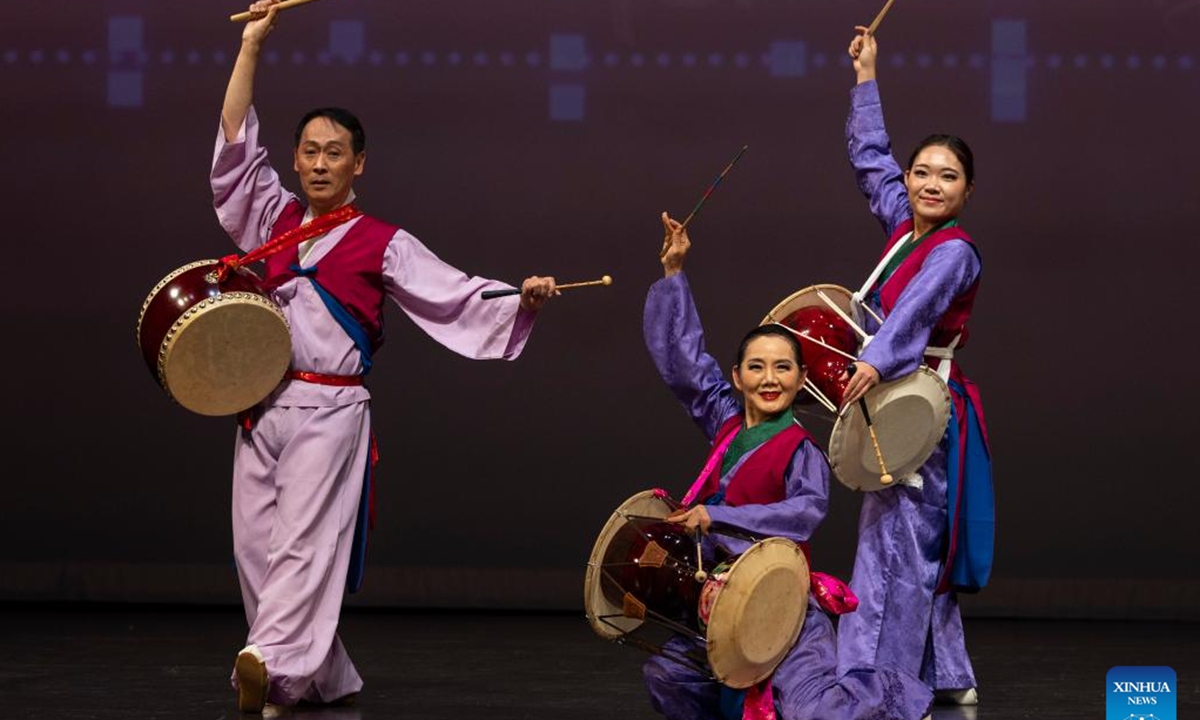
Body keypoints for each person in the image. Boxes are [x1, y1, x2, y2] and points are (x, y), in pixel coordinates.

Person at [213, 1, 558, 712]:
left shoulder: (382, 241)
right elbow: (234, 145)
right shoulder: (271, 218)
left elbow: (456, 294)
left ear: (358, 163)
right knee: (256, 549)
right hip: (260, 405)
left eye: (333, 151)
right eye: (307, 150)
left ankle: (272, 677)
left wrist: (521, 299)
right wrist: (251, 47)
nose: (316, 162)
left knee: (304, 547)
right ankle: (323, 673)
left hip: (329, 408)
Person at [642, 213, 932, 720]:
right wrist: (673, 275)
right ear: (736, 376)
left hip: (783, 604)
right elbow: (686, 365)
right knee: (667, 677)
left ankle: (897, 697)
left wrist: (718, 518)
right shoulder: (727, 424)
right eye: (757, 366)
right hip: (723, 601)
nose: (769, 378)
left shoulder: (799, 448)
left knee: (814, 712)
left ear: (800, 381)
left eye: (783, 368)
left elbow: (805, 512)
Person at [834, 25, 995, 706]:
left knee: (897, 546)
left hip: (920, 399)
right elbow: (871, 158)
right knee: (904, 540)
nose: (931, 183)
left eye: (947, 176)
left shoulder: (954, 251)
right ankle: (949, 674)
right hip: (895, 390)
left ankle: (883, 680)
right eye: (922, 172)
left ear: (967, 190)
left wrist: (872, 361)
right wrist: (866, 76)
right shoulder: (905, 227)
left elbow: (915, 315)